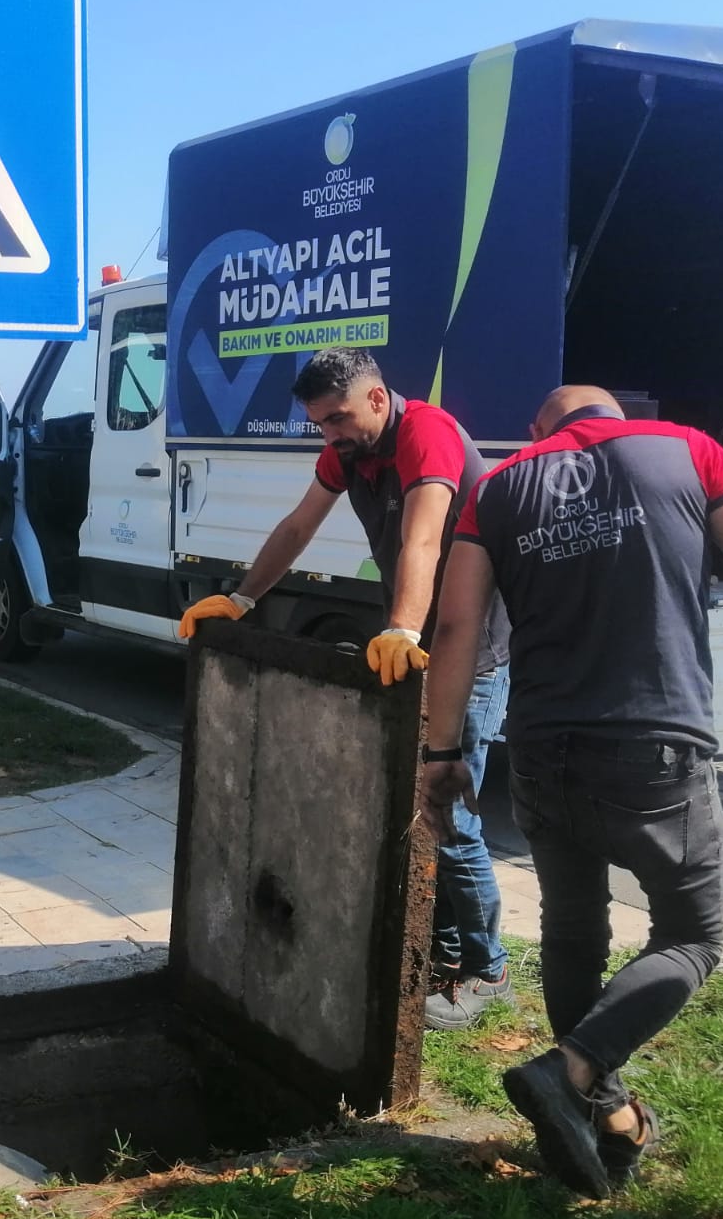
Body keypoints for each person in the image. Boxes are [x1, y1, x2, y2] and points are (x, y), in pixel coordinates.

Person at [421, 384, 723, 1198]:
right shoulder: (688, 449)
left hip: (543, 749)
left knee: (573, 932)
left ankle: (607, 1126)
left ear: (543, 430)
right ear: (614, 419)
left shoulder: (499, 487)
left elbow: (457, 626)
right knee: (693, 936)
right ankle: (575, 1070)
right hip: (653, 748)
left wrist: (441, 749)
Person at [176, 347, 514, 1030]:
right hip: (419, 643)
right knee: (418, 810)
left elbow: (423, 540)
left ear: (379, 399)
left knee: (449, 816)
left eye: (338, 418)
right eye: (319, 423)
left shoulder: (429, 434)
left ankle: (489, 969)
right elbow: (300, 525)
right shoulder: (350, 453)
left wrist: (402, 629)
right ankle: (443, 950)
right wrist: (241, 599)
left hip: (467, 650)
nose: (329, 434)